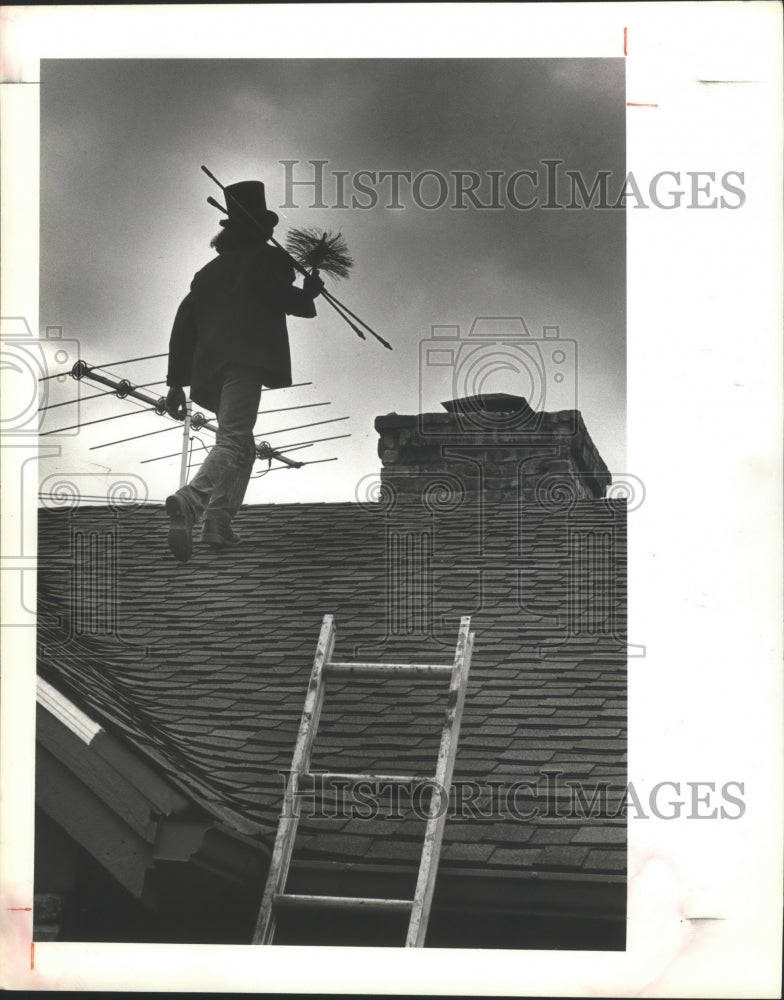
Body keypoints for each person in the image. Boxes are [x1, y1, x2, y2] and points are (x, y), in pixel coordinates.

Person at [164, 180, 324, 562]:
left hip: (208, 373)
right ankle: (192, 500)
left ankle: (218, 523)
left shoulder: (205, 274)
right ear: (259, 230)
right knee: (234, 440)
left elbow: (183, 325)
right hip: (244, 364)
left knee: (244, 447)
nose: (272, 233)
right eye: (267, 228)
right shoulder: (270, 260)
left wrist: (175, 385)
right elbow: (292, 303)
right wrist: (310, 291)